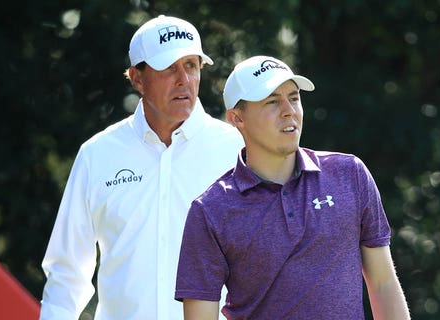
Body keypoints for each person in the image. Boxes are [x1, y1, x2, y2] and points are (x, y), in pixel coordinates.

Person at [39, 15, 244, 320]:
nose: (183, 80)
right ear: (137, 79)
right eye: (168, 68)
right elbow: (66, 275)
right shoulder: (97, 155)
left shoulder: (237, 149)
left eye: (191, 65)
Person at [175, 55, 410, 319]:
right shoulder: (211, 210)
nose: (289, 110)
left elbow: (383, 283)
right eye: (273, 101)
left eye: (294, 98)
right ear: (237, 118)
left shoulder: (349, 175)